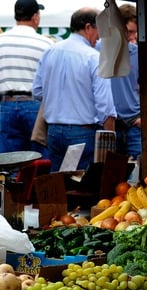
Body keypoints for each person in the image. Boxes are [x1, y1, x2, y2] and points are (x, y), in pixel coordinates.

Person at [32, 7, 116, 172]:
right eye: (100, 29)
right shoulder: (93, 57)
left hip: (54, 130)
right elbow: (105, 106)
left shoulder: (49, 51)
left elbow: (37, 91)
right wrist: (110, 142)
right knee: (83, 189)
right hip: (82, 132)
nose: (100, 36)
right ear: (88, 27)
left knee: (57, 186)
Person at [0, 0, 53, 156]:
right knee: (40, 160)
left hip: (5, 106)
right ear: (35, 17)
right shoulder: (46, 43)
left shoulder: (1, 41)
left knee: (9, 161)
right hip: (35, 106)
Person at [97, 4, 141, 160]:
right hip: (106, 125)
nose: (132, 37)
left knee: (140, 175)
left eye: (135, 32)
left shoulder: (137, 53)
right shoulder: (96, 51)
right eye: (129, 32)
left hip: (133, 124)